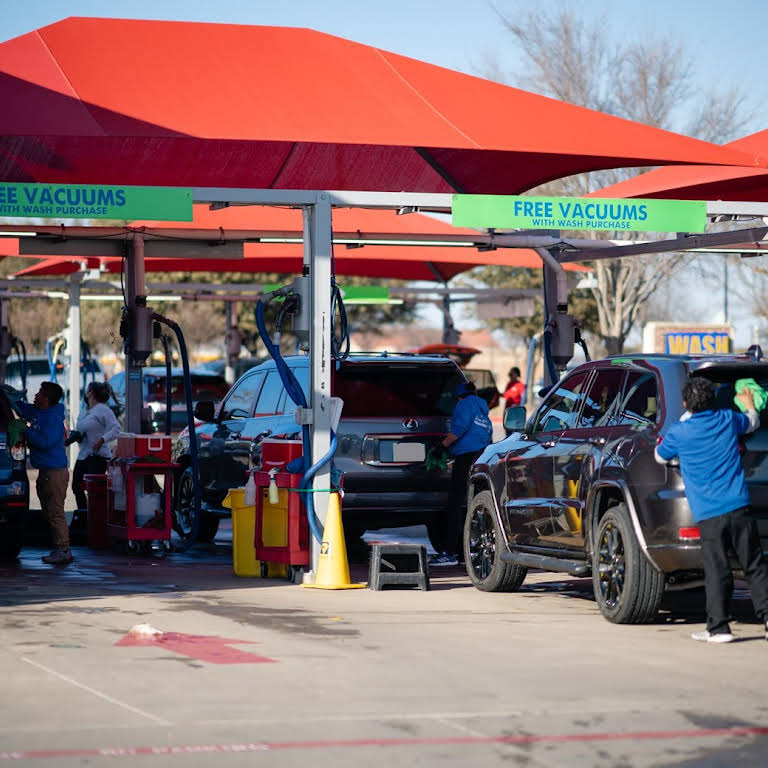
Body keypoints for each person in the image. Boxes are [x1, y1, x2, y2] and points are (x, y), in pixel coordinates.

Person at [655, 377, 768, 643]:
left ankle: (718, 628)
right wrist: (750, 405)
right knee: (754, 565)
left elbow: (660, 455)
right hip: (739, 505)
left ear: (685, 403)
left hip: (708, 513)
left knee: (717, 568)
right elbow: (752, 422)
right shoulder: (727, 419)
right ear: (713, 400)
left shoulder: (680, 432)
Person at [430, 380, 493, 567]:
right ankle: (467, 553)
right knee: (472, 504)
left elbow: (458, 430)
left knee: (455, 505)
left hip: (465, 458)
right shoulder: (482, 407)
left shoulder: (464, 404)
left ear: (458, 396)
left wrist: (441, 447)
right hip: (480, 457)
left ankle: (449, 552)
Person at [15, 382, 72, 565]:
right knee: (49, 512)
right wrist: (11, 397)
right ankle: (60, 547)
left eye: (39, 392)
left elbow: (45, 442)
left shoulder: (52, 419)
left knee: (55, 512)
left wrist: (26, 430)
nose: (35, 395)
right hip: (46, 472)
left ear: (46, 398)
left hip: (55, 473)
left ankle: (63, 549)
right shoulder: (38, 412)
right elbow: (23, 409)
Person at [69, 381, 122, 530]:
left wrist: (102, 439)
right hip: (84, 455)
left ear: (91, 392)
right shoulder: (85, 410)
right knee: (76, 486)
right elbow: (81, 429)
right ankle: (85, 517)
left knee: (93, 489)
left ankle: (96, 520)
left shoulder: (103, 410)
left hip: (98, 456)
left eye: (87, 390)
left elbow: (116, 429)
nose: (85, 393)